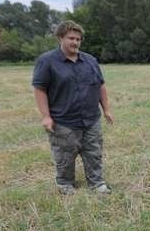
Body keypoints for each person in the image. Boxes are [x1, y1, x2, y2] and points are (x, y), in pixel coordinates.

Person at [32, 20, 114, 195]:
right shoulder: (47, 61)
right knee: (65, 155)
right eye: (71, 38)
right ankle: (65, 184)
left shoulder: (90, 61)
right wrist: (45, 116)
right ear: (61, 38)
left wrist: (106, 109)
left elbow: (100, 85)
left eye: (78, 39)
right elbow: (40, 89)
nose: (75, 42)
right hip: (64, 121)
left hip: (91, 119)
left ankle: (97, 183)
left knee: (94, 152)